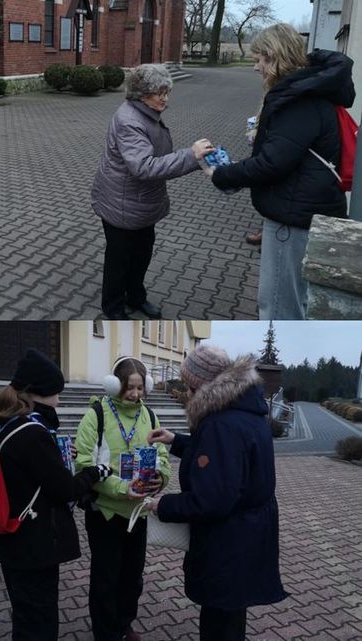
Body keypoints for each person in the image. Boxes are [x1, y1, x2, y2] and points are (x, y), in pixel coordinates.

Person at [209, 24, 354, 320]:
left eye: (258, 59)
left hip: (292, 219)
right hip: (303, 209)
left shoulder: (298, 99)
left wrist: (222, 175)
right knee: (293, 300)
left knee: (277, 306)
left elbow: (272, 164)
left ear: (273, 56)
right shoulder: (310, 89)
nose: (255, 68)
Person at [145, 346, 287, 641]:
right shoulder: (243, 411)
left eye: (187, 385)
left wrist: (163, 505)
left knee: (220, 621)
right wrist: (177, 441)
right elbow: (225, 461)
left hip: (229, 542)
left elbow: (212, 499)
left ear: (199, 384)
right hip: (247, 535)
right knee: (232, 613)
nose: (185, 391)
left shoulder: (220, 424)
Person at [0, 349, 113, 641]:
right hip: (34, 544)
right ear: (35, 393)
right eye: (56, 392)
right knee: (39, 622)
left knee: (26, 614)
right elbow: (65, 489)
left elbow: (30, 470)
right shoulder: (33, 433)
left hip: (14, 539)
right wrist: (96, 472)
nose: (59, 399)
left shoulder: (9, 423)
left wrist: (54, 457)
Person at [90, 64, 215, 320]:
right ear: (141, 93)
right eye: (160, 93)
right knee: (119, 260)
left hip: (140, 202)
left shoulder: (145, 112)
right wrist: (191, 156)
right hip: (121, 204)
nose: (165, 98)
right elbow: (143, 167)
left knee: (141, 255)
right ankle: (113, 308)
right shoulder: (129, 120)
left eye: (166, 92)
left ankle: (136, 297)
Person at [74, 357, 171, 641]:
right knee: (106, 578)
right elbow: (83, 464)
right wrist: (119, 488)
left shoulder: (150, 416)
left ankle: (123, 624)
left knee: (132, 577)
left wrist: (160, 479)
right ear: (115, 385)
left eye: (141, 388)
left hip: (137, 513)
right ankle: (105, 633)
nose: (136, 394)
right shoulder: (97, 415)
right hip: (105, 513)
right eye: (130, 387)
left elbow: (162, 458)